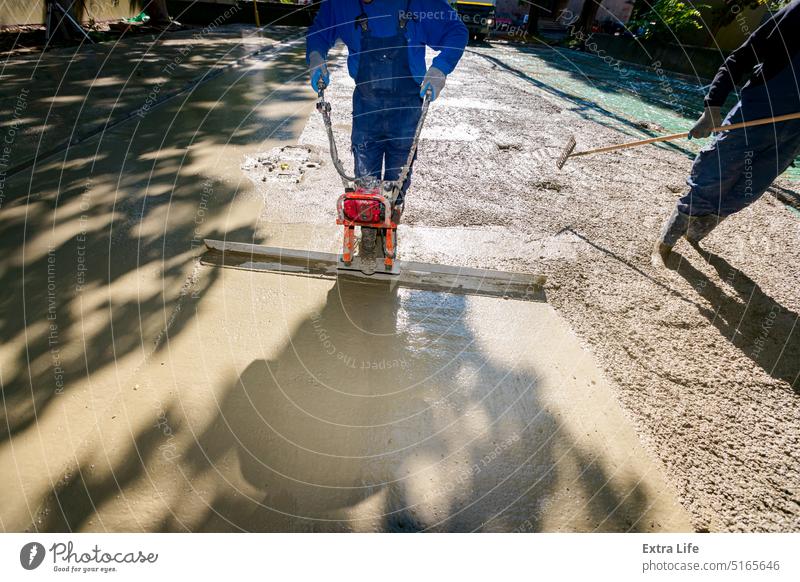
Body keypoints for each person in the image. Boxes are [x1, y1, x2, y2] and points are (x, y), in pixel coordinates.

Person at [306, 0, 468, 273]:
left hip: (407, 105)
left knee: (397, 177)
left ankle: (390, 228)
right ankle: (368, 234)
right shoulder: (341, 4)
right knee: (365, 177)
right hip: (366, 104)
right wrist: (316, 57)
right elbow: (320, 31)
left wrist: (440, 68)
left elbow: (456, 31)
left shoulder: (418, 2)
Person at [656, 0, 800, 261]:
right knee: (712, 178)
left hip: (793, 136)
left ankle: (695, 234)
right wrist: (712, 107)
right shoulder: (799, 12)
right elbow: (743, 56)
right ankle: (666, 244)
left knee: (748, 191)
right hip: (755, 113)